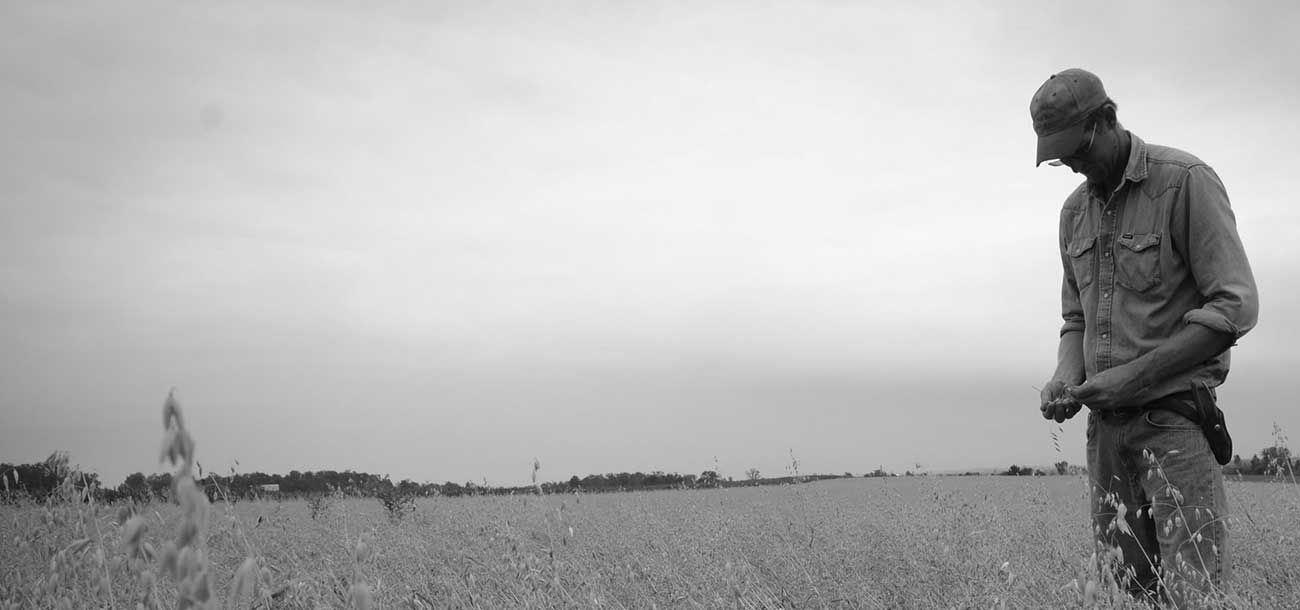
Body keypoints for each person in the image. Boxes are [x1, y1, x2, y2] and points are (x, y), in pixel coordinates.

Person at [1030, 68, 1258, 605]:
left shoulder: (1185, 182)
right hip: (1105, 435)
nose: (1074, 166)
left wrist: (1134, 376)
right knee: (1128, 594)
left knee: (1193, 595)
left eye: (1078, 148)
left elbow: (1235, 305)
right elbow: (1076, 317)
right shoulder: (1073, 214)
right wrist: (1067, 377)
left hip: (1174, 424)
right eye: (1061, 158)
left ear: (1108, 119)